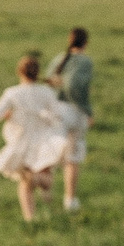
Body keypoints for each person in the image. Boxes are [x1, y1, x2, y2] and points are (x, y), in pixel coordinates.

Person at [0, 53, 72, 223]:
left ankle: (30, 219)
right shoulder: (46, 91)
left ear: (19, 72)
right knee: (47, 179)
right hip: (43, 140)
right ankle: (37, 185)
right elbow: (59, 114)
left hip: (21, 140)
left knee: (25, 184)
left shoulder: (12, 93)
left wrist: (8, 114)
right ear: (37, 72)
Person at [47, 26, 94, 211]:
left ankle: (45, 194)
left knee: (52, 154)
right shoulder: (85, 62)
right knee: (72, 157)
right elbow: (77, 88)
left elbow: (50, 80)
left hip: (57, 109)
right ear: (86, 43)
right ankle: (70, 200)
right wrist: (88, 110)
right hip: (75, 111)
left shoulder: (59, 59)